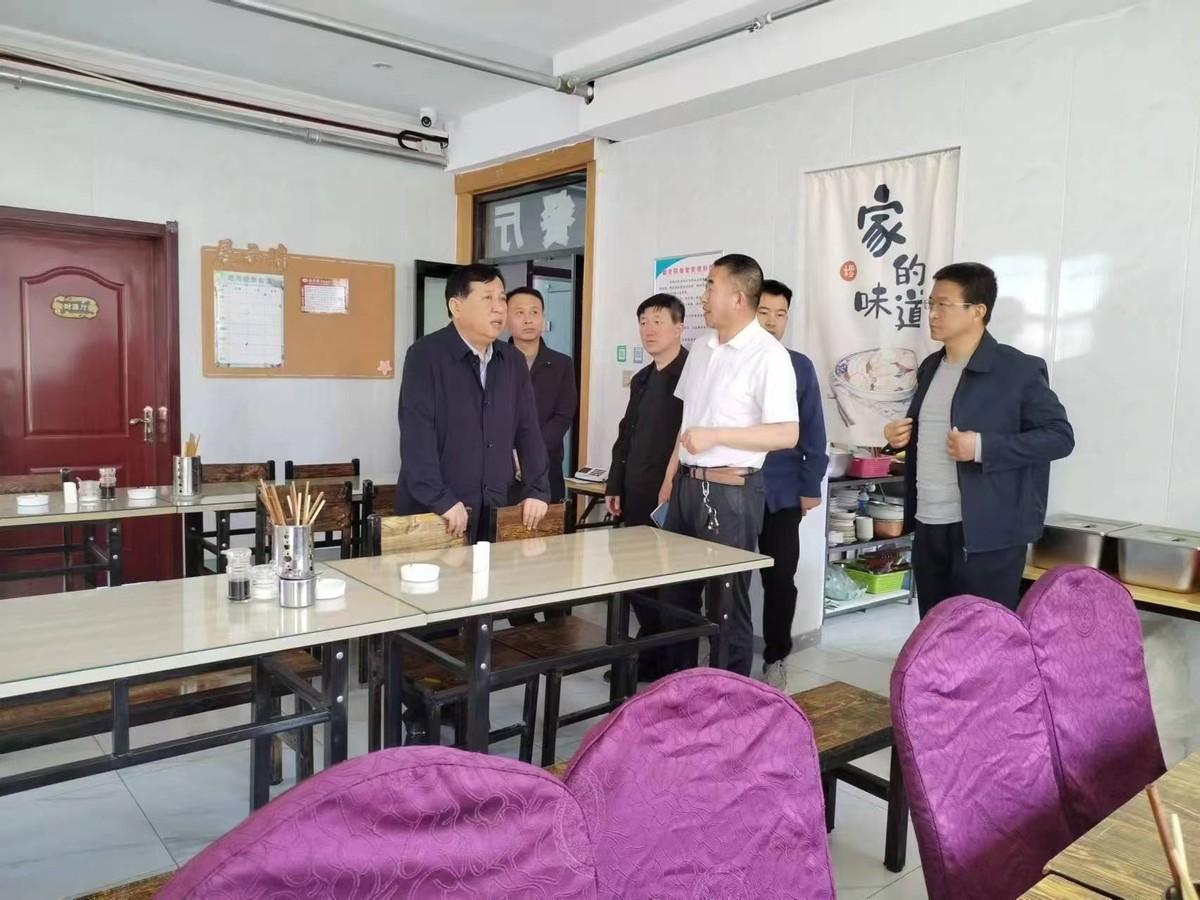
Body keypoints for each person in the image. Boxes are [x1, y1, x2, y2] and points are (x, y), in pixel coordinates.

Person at [883, 262, 1074, 617]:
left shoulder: (1018, 370)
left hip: (987, 534)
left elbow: (1059, 437)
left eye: (944, 305)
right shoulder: (930, 366)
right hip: (928, 524)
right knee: (936, 632)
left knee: (985, 635)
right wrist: (898, 439)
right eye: (930, 304)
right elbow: (930, 434)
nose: (933, 314)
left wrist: (983, 447)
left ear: (978, 311)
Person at [657, 254, 800, 678]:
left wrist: (717, 435)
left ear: (738, 298)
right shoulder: (702, 348)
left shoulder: (768, 355)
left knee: (725, 603)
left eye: (710, 286)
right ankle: (678, 688)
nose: (703, 296)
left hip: (730, 491)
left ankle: (728, 698)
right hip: (686, 486)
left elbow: (786, 433)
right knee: (674, 595)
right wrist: (670, 477)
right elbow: (688, 422)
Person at [397, 263, 549, 542]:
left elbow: (528, 431)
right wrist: (441, 499)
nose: (499, 308)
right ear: (456, 307)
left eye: (501, 298)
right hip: (438, 513)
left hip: (495, 507)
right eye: (487, 298)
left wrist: (537, 490)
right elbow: (417, 436)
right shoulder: (425, 355)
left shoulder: (512, 361)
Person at [604, 292, 688, 682]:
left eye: (658, 321)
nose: (649, 330)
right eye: (643, 322)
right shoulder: (642, 378)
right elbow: (626, 435)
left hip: (670, 495)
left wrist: (672, 482)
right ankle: (650, 653)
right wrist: (614, 484)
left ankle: (670, 662)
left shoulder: (691, 375)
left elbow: (688, 438)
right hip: (636, 492)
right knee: (635, 577)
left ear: (679, 327)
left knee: (670, 583)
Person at [754, 279, 828, 690]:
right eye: (763, 312)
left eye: (780, 314)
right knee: (726, 578)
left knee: (780, 577)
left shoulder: (799, 365)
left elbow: (814, 430)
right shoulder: (731, 362)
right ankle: (724, 650)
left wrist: (811, 484)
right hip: (733, 488)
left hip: (782, 492)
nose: (772, 322)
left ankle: (776, 656)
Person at [505, 286, 577, 504]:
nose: (528, 320)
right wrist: (512, 454)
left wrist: (531, 452)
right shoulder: (494, 361)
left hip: (546, 466)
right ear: (506, 320)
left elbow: (563, 416)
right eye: (519, 312)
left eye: (534, 312)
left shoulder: (561, 364)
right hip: (501, 468)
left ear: (543, 318)